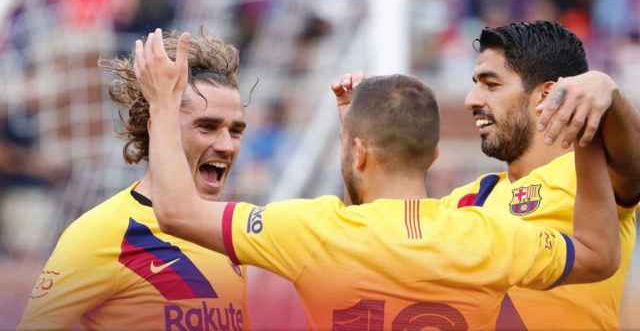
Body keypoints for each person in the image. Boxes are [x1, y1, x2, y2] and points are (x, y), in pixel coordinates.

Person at [137, 29, 620, 330]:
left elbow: (176, 211)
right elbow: (598, 256)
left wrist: (162, 102)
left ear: (359, 151)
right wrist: (590, 123)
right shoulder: (486, 233)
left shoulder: (315, 231)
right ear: (433, 154)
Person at [334, 21, 640, 329]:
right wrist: (357, 134)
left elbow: (634, 166)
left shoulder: (591, 178)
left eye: (490, 85)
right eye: (475, 84)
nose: (471, 99)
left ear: (547, 95)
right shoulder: (469, 199)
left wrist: (606, 91)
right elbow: (371, 237)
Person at [19, 29, 250, 331]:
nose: (226, 145)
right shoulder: (103, 232)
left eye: (235, 131)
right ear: (160, 126)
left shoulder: (229, 232)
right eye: (207, 127)